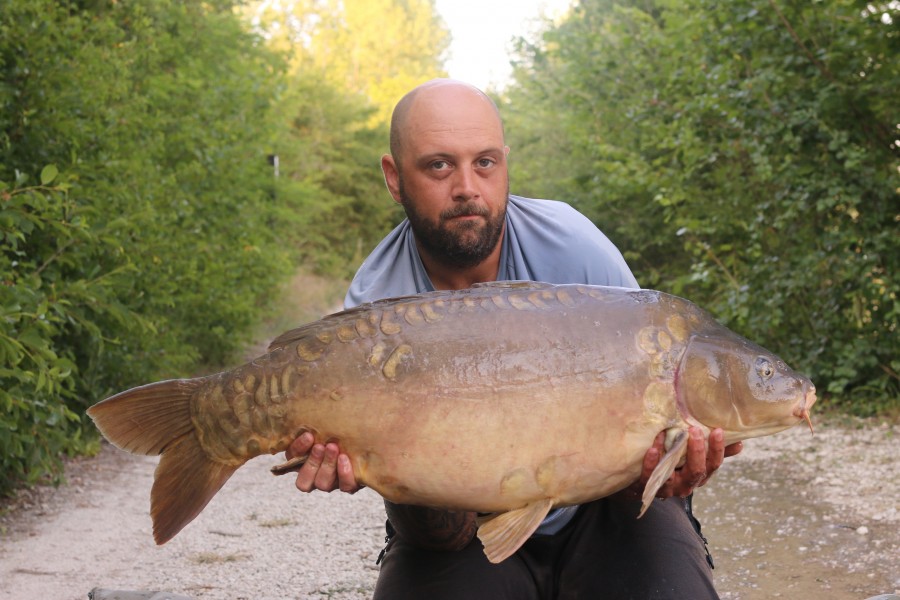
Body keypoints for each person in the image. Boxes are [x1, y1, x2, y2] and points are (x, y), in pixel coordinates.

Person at [285, 79, 742, 599]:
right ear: (394, 177)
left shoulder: (576, 250)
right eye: (438, 165)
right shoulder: (376, 311)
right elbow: (438, 534)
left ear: (505, 163)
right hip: (459, 529)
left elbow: (646, 446)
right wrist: (365, 464)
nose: (467, 187)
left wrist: (662, 473)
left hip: (605, 513)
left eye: (485, 163)